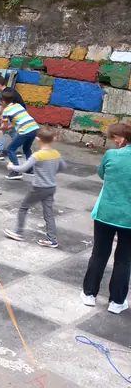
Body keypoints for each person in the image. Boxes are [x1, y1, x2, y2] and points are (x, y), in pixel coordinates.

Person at [81, 123, 131, 314]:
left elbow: (102, 173)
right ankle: (117, 301)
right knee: (124, 260)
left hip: (105, 213)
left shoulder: (111, 155)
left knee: (100, 254)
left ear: (123, 138)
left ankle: (89, 294)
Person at [2, 127, 66, 248]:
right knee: (48, 213)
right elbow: (63, 167)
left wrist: (11, 167)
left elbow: (23, 168)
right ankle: (52, 239)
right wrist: (52, 172)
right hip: (51, 187)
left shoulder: (37, 155)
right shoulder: (56, 153)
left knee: (23, 207)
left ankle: (18, 232)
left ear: (37, 139)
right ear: (53, 139)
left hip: (39, 187)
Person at [0, 90, 39, 180]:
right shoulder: (18, 105)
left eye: (0, 102)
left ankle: (16, 171)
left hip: (25, 130)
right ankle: (30, 169)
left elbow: (4, 127)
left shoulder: (6, 111)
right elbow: (16, 122)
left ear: (3, 102)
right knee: (26, 148)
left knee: (10, 149)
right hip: (34, 128)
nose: (0, 104)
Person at [0, 75, 26, 160]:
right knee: (12, 131)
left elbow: (1, 109)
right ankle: (18, 151)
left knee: (2, 131)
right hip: (20, 113)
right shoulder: (10, 90)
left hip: (14, 114)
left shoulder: (4, 94)